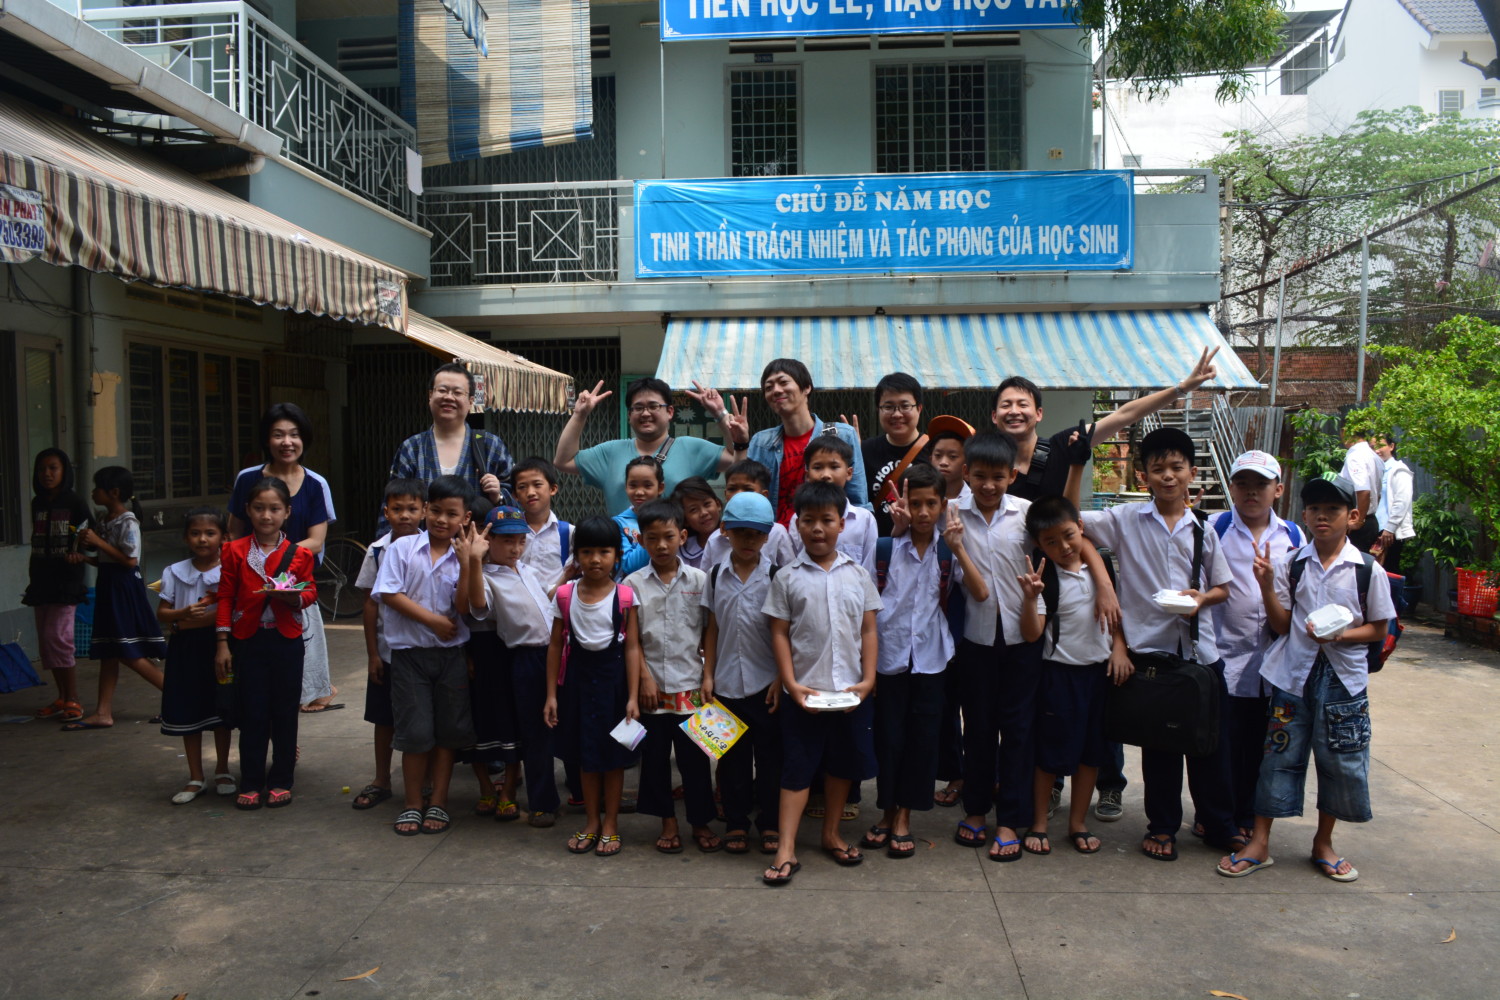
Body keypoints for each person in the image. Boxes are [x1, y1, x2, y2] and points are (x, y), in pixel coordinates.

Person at [1217, 474, 1396, 882]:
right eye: (1314, 509)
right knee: (1277, 757)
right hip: (1292, 675)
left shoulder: (1367, 570)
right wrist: (1266, 586)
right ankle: (1260, 842)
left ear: (1352, 517)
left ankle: (1323, 843)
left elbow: (1378, 629)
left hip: (1344, 681)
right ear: (1304, 514)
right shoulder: (1292, 563)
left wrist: (1340, 636)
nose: (1322, 516)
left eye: (1333, 509)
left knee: (1338, 762)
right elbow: (1282, 626)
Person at [1079, 428, 1235, 861]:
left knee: (1210, 746)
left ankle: (1218, 824)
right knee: (1160, 747)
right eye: (1158, 468)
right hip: (1151, 654)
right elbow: (1073, 523)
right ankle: (1162, 827)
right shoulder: (1125, 520)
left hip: (1200, 654)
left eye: (1176, 468)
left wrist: (1201, 599)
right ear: (1143, 476)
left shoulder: (1203, 529)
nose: (1168, 476)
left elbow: (1223, 587)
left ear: (1192, 474)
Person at [761, 481, 883, 886]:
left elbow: (869, 630)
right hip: (805, 693)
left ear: (841, 525)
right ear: (796, 524)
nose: (817, 528)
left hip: (850, 692)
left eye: (826, 520)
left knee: (841, 766)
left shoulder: (858, 575)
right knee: (797, 769)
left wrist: (868, 679)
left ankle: (831, 834)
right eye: (809, 520)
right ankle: (786, 847)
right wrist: (791, 683)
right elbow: (779, 633)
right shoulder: (787, 578)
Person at [864, 465, 985, 860]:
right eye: (914, 503)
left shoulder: (948, 550)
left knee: (922, 739)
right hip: (889, 660)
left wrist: (959, 547)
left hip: (932, 661)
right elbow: (865, 606)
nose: (922, 511)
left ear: (942, 505)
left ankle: (904, 816)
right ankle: (887, 811)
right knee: (889, 738)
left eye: (930, 503)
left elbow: (981, 592)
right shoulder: (885, 549)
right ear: (903, 503)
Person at [946, 433, 1046, 861]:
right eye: (981, 476)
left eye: (998, 477)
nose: (989, 485)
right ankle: (975, 810)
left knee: (1019, 731)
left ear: (1013, 476)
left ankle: (1010, 820)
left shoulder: (1026, 514)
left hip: (1023, 637)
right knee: (979, 728)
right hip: (977, 639)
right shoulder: (952, 515)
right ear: (967, 473)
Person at [1017, 496, 1131, 858]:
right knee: (1050, 754)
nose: (1064, 547)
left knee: (1091, 755)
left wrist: (1119, 648)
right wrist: (1029, 599)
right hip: (1060, 677)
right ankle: (1039, 823)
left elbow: (1117, 615)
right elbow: (1033, 634)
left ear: (1080, 528)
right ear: (1039, 546)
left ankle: (1077, 823)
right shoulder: (1046, 577)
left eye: (1068, 535)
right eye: (1051, 542)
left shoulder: (1102, 570)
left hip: (1099, 675)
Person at [372, 475, 477, 836]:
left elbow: (462, 607)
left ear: (465, 518)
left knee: (448, 733)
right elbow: (389, 593)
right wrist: (432, 620)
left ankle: (439, 802)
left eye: (452, 514)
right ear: (426, 509)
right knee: (414, 733)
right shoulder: (402, 548)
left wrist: (468, 564)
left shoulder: (463, 555)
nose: (441, 520)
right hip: (409, 656)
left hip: (450, 657)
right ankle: (413, 803)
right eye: (436, 511)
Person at [1209, 451, 1302, 841]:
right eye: (1243, 483)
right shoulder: (1215, 528)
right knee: (1221, 747)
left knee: (1259, 745)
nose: (1251, 492)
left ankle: (1247, 815)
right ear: (1231, 488)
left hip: (1272, 663)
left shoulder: (1293, 536)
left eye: (1261, 484)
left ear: (1277, 490)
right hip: (1224, 658)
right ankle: (1216, 818)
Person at [991, 348, 1221, 504]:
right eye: (1006, 405)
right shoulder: (983, 460)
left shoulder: (1064, 445)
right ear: (994, 415)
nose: (1014, 411)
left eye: (1023, 404)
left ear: (1039, 413)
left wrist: (1182, 388)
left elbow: (1125, 415)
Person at [214, 476, 318, 809]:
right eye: (259, 508)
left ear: (287, 512)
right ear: (248, 510)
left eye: (274, 509)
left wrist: (292, 598)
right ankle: (251, 780)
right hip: (248, 640)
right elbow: (225, 596)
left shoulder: (299, 553)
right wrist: (222, 642)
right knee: (252, 711)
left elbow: (310, 590)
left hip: (286, 640)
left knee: (285, 711)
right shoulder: (233, 550)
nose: (266, 515)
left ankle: (282, 779)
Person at [228, 402, 339, 714]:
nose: (287, 442)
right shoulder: (247, 479)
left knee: (297, 659)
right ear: (267, 439)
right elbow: (234, 531)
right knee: (253, 662)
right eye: (278, 435)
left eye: (294, 434)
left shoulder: (316, 484)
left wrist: (273, 561)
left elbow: (316, 541)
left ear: (304, 439)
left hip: (295, 585)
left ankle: (302, 713)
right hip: (249, 585)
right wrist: (251, 565)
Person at [625, 500, 721, 855]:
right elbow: (631, 639)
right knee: (654, 761)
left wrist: (708, 676)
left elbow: (710, 631)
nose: (661, 545)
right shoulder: (632, 584)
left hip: (691, 685)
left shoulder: (700, 580)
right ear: (641, 541)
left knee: (695, 761)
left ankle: (700, 821)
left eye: (668, 537)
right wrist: (644, 679)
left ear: (682, 536)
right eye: (652, 538)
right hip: (651, 689)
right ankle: (667, 821)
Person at [544, 516, 643, 857]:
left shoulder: (626, 596)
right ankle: (591, 821)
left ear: (617, 555)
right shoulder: (565, 595)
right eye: (587, 552)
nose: (595, 559)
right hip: (578, 684)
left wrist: (633, 696)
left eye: (604, 551)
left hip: (614, 686)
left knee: (613, 759)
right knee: (586, 756)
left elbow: (632, 648)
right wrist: (552, 695)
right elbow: (555, 645)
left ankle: (611, 823)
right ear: (576, 556)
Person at [466, 505, 564, 828]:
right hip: (526, 658)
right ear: (489, 540)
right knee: (536, 732)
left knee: (565, 724)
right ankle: (542, 803)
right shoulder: (487, 577)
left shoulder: (526, 570)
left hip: (555, 652)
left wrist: (569, 576)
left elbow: (548, 598)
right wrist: (474, 560)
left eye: (521, 541)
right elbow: (478, 606)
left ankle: (579, 791)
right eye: (507, 541)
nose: (515, 548)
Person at [702, 491, 784, 857]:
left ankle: (770, 822)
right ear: (725, 531)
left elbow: (785, 633)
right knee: (730, 760)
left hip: (767, 685)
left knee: (770, 760)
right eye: (740, 532)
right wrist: (708, 675)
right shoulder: (715, 575)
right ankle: (735, 821)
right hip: (725, 684)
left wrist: (781, 678)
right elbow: (712, 627)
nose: (748, 540)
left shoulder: (778, 577)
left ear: (767, 535)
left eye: (756, 533)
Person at [553, 376, 749, 515]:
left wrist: (720, 414)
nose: (645, 413)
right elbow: (563, 461)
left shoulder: (691, 448)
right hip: (625, 552)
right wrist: (580, 415)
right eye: (638, 407)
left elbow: (737, 460)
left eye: (654, 406)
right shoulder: (610, 452)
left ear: (670, 412)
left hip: (679, 552)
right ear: (629, 415)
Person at [64, 467, 166, 731]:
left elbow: (129, 561)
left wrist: (98, 542)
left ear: (114, 492)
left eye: (97, 488)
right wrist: (85, 557)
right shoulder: (104, 519)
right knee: (109, 651)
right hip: (108, 584)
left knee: (127, 651)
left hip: (123, 589)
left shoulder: (128, 522)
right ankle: (103, 712)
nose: (93, 493)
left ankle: (179, 696)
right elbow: (108, 560)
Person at [351, 479, 426, 812]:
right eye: (397, 509)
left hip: (422, 649)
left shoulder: (433, 546)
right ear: (386, 512)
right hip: (387, 650)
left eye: (412, 508)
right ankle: (382, 778)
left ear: (424, 511)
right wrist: (372, 654)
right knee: (384, 718)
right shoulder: (378, 550)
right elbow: (370, 604)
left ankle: (425, 782)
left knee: (423, 716)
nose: (405, 515)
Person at [157, 508, 234, 804]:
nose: (203, 539)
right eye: (195, 533)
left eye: (210, 533)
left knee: (221, 709)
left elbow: (232, 612)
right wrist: (182, 614)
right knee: (189, 709)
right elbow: (163, 613)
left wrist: (185, 623)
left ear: (224, 537)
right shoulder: (174, 571)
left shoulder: (229, 569)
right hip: (185, 649)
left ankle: (223, 769)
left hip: (219, 645)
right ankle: (195, 777)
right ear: (185, 538)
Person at [747, 359, 869, 526]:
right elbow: (749, 497)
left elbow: (858, 501)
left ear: (806, 387)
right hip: (775, 537)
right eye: (769, 387)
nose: (776, 390)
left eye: (783, 382)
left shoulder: (842, 435)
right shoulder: (761, 442)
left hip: (824, 535)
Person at [24, 449, 91, 722]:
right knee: (47, 641)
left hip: (66, 581)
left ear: (65, 471)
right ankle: (62, 696)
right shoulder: (37, 503)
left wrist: (78, 553)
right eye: (42, 469)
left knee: (60, 638)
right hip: (41, 580)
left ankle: (74, 698)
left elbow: (89, 536)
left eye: (53, 468)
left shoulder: (75, 502)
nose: (47, 474)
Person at [389, 362, 513, 508]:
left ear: (470, 401)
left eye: (457, 392)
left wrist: (498, 496)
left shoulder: (490, 445)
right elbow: (393, 504)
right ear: (430, 395)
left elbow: (517, 499)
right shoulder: (411, 448)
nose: (449, 397)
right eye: (442, 390)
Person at [788, 435, 879, 579]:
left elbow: (870, 570)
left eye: (834, 467)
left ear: (849, 473)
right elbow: (792, 565)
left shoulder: (864, 519)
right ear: (807, 475)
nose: (826, 475)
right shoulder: (798, 518)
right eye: (817, 467)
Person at [862, 372, 932, 535]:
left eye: (905, 406)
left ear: (919, 408)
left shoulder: (935, 451)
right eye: (888, 407)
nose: (897, 414)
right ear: (878, 410)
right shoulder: (865, 450)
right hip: (880, 545)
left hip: (925, 544)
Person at [703, 459, 797, 568]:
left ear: (764, 496)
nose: (738, 494)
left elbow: (789, 572)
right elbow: (706, 576)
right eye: (732, 489)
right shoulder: (715, 540)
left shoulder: (776, 533)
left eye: (748, 489)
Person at [512, 457, 572, 588]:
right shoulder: (510, 532)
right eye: (522, 487)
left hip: (556, 599)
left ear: (553, 489)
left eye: (537, 485)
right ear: (515, 495)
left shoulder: (569, 533)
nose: (530, 493)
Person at [613, 456, 666, 578]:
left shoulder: (671, 518)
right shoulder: (617, 523)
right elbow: (629, 565)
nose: (639, 492)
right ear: (626, 487)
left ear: (660, 488)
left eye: (647, 486)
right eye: (633, 485)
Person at [1338, 420, 1384, 553]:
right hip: (1370, 520)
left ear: (1345, 432)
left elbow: (1363, 490)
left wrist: (1358, 521)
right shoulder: (1373, 455)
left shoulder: (1355, 456)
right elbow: (1377, 493)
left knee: (1351, 562)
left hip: (1359, 523)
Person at [1372, 435, 1413, 570]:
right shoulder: (1375, 470)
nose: (1376, 450)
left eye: (1380, 446)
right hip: (1374, 529)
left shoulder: (1398, 470)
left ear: (1391, 446)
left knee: (1388, 571)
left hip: (1388, 532)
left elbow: (1402, 500)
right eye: (1372, 447)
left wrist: (1390, 528)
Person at [672, 477, 722, 570]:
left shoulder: (733, 541)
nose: (703, 513)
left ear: (718, 504)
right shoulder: (681, 552)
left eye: (707, 504)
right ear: (685, 520)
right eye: (693, 510)